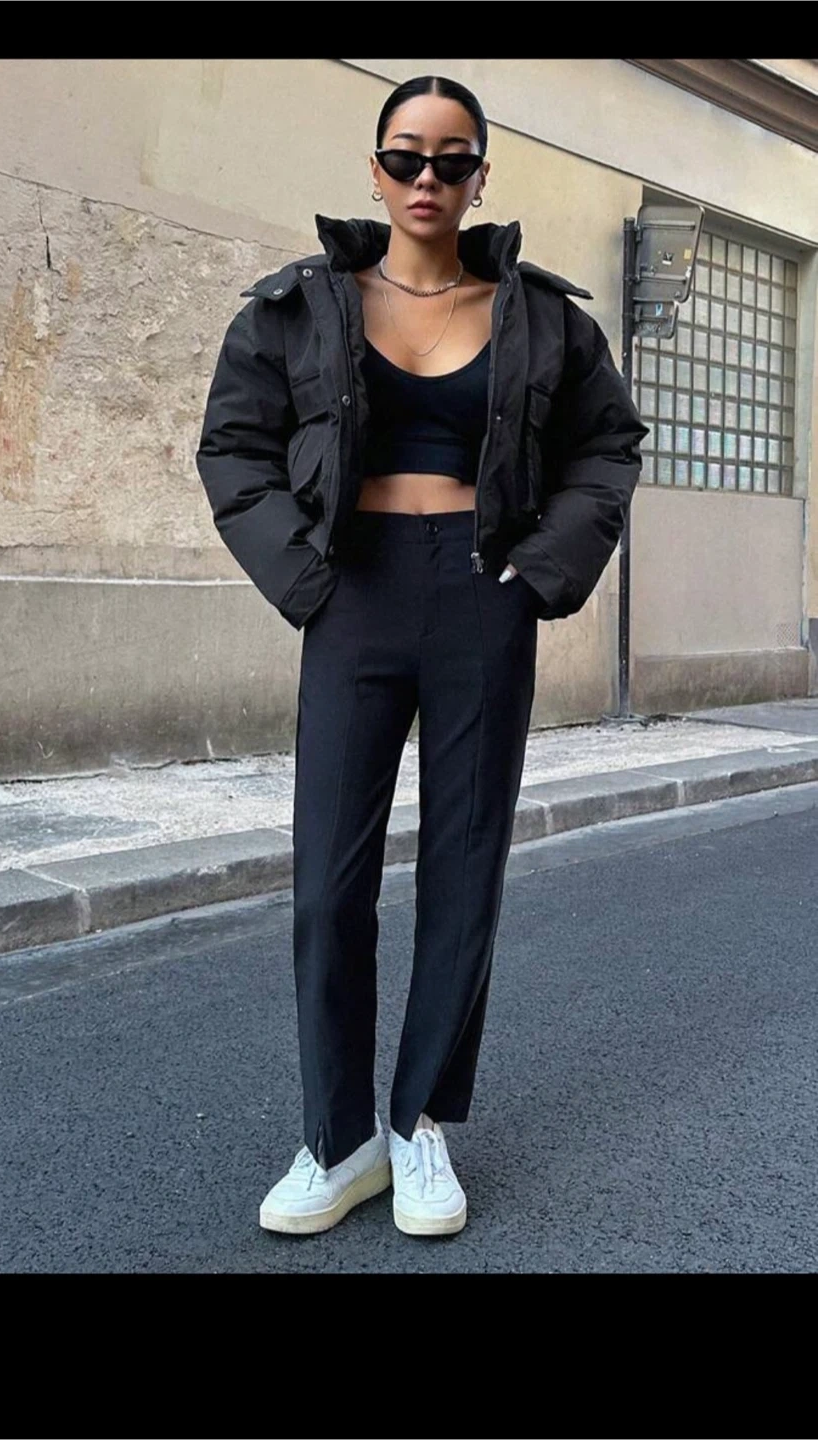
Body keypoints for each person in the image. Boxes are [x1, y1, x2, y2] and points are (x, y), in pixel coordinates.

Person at [196, 74, 648, 1238]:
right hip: (350, 592)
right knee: (327, 884)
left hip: (480, 595)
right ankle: (338, 1139)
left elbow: (606, 448)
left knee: (463, 868)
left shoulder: (542, 317)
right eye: (405, 157)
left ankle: (418, 1126)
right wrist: (303, 581)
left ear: (480, 176)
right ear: (374, 168)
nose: (426, 179)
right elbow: (233, 447)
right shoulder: (297, 308)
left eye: (451, 160)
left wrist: (539, 573)